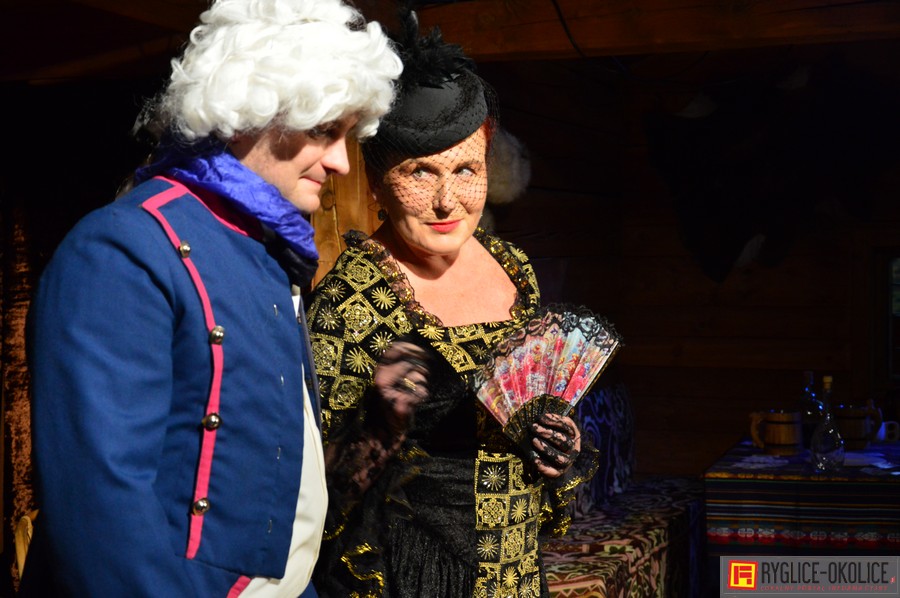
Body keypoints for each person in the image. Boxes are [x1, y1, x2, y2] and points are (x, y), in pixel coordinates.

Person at [20, 0, 403, 595]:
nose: (340, 163)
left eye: (347, 136)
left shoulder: (265, 249)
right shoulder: (122, 248)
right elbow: (103, 517)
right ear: (252, 110)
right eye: (324, 131)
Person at [306, 13, 594, 597]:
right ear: (377, 181)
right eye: (420, 172)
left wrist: (558, 446)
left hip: (514, 570)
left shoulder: (514, 267)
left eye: (466, 169)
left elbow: (536, 405)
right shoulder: (352, 300)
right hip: (413, 574)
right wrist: (381, 428)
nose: (447, 201)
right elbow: (311, 495)